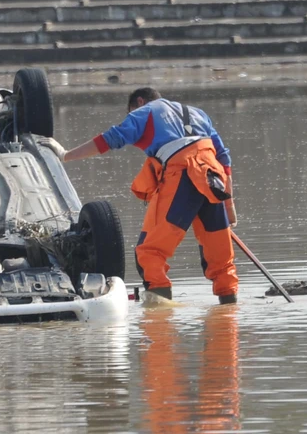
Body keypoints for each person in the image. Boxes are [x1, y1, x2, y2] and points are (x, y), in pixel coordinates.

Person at [40, 87, 239, 304]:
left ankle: (160, 318)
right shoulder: (197, 113)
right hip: (213, 179)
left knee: (149, 253)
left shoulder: (145, 112)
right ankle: (228, 314)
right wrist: (228, 205)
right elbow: (224, 158)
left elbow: (110, 139)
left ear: (140, 101)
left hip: (181, 175)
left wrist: (65, 155)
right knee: (220, 257)